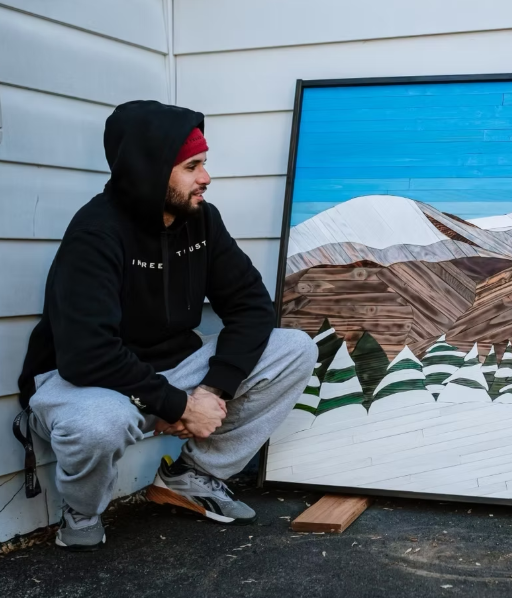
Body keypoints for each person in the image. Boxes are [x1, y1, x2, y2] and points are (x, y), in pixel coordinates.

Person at [14, 100, 317, 551]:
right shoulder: (96, 233)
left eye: (204, 164)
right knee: (99, 422)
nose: (206, 178)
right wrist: (176, 405)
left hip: (171, 370)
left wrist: (210, 392)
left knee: (294, 348)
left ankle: (193, 476)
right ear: (151, 169)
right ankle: (80, 516)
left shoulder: (201, 221)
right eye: (192, 166)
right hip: (84, 382)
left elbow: (253, 308)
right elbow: (87, 354)